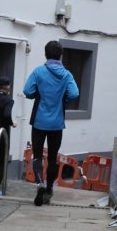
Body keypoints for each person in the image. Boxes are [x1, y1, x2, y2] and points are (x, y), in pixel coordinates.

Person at [24, 41, 79, 206]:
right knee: (53, 157)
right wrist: (64, 100)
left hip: (39, 121)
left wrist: (36, 94)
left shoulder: (39, 71)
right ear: (60, 55)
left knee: (38, 156)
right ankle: (48, 189)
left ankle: (39, 182)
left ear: (45, 54)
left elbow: (27, 91)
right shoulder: (66, 75)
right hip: (57, 123)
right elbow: (74, 93)